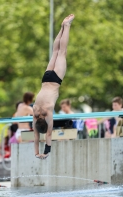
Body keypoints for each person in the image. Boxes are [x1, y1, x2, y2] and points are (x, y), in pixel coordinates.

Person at [33, 14, 75, 159]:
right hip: (45, 78)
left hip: (55, 79)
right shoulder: (35, 112)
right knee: (55, 52)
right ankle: (62, 26)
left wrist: (45, 153)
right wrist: (37, 153)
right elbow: (36, 137)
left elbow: (49, 134)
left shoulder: (48, 112)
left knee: (62, 52)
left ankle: (67, 25)